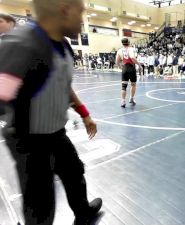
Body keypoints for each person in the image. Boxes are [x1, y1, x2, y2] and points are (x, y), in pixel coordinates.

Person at [0, 0, 102, 224]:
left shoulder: (63, 45)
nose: (83, 20)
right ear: (65, 10)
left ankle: (83, 211)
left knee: (74, 172)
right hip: (30, 143)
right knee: (40, 205)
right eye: (81, 12)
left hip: (56, 133)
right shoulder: (22, 46)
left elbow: (62, 85)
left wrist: (84, 114)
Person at [116, 38, 139, 107]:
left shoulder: (119, 50)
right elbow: (132, 57)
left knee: (124, 86)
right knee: (133, 85)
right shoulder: (131, 49)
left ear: (122, 43)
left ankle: (123, 102)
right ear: (128, 42)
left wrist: (121, 68)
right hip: (132, 69)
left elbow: (117, 62)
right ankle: (131, 98)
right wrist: (139, 64)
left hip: (125, 69)